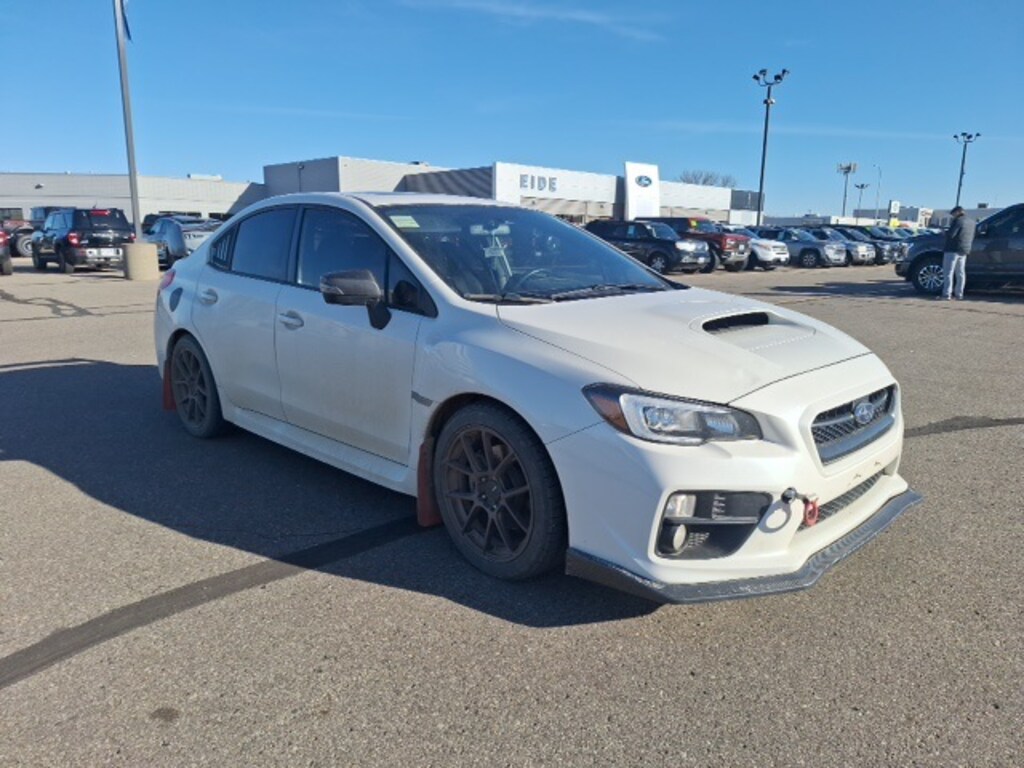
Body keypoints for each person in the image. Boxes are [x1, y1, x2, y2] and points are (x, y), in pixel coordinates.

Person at [940, 206, 976, 300]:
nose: (952, 216)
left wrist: (944, 232)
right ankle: (959, 294)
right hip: (964, 250)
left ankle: (946, 294)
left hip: (952, 249)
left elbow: (951, 234)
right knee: (960, 273)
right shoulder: (972, 222)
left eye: (953, 213)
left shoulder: (958, 221)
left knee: (948, 272)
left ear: (958, 212)